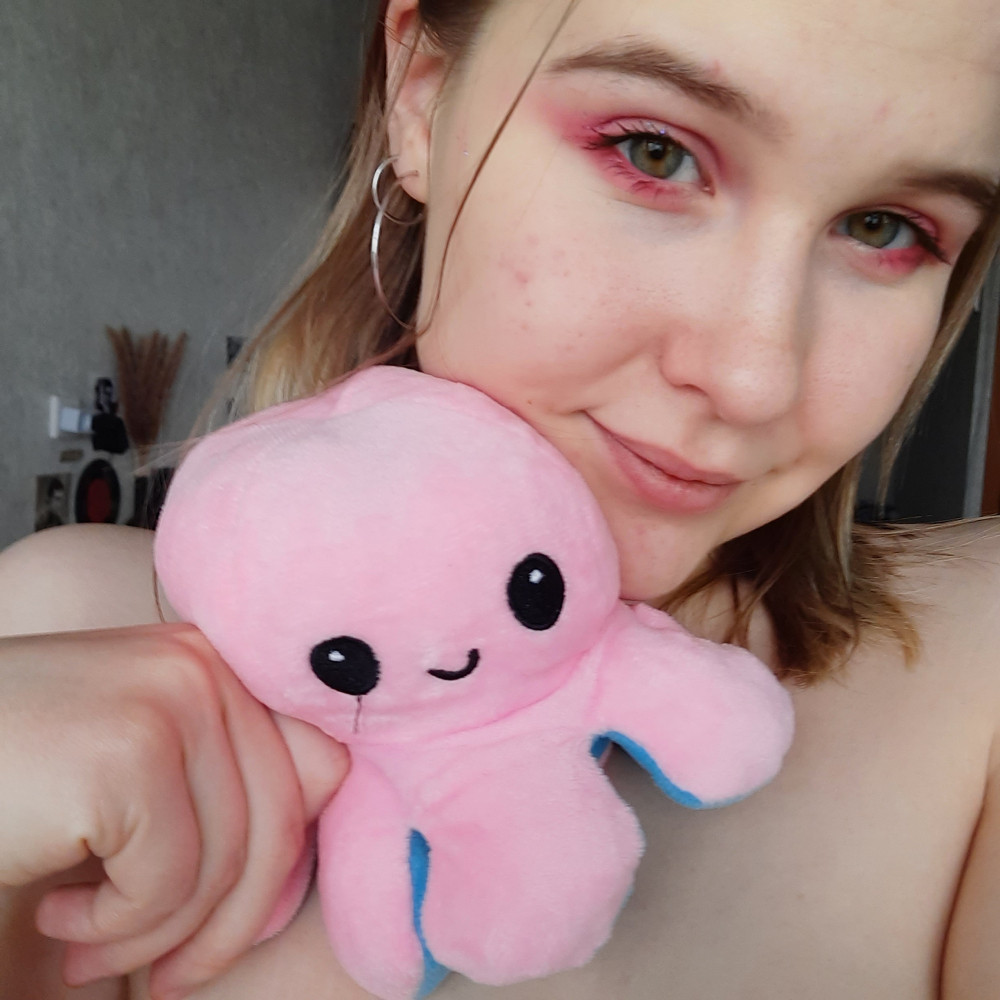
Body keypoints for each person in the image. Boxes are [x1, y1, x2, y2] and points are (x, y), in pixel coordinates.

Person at [2, 0, 1000, 997]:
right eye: (654, 152)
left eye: (885, 229)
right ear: (423, 96)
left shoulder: (980, 682)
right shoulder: (62, 631)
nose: (752, 379)